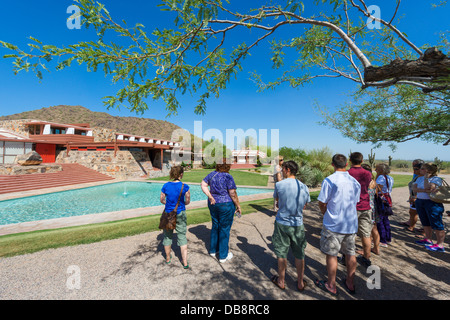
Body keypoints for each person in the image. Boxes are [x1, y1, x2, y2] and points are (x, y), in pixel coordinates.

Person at [315, 154, 361, 296]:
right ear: (346, 164)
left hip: (334, 224)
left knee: (332, 254)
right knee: (350, 253)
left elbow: (322, 202)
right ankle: (350, 282)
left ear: (332, 164)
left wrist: (325, 213)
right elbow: (356, 202)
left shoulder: (330, 180)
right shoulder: (354, 182)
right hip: (350, 223)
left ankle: (331, 284)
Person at [271, 160, 311, 292]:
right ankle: (300, 282)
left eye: (283, 168)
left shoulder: (280, 185)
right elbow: (305, 204)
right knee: (299, 254)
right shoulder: (304, 187)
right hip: (297, 224)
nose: (282, 171)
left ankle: (281, 281)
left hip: (282, 222)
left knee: (282, 253)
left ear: (287, 169)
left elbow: (277, 201)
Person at [201, 160, 242, 263]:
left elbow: (203, 184)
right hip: (225, 205)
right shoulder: (227, 176)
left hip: (213, 204)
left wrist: (210, 196)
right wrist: (238, 205)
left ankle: (213, 250)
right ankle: (223, 255)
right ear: (227, 166)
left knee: (215, 225)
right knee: (224, 229)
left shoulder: (212, 174)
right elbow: (232, 193)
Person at [160, 165, 191, 269]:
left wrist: (167, 203)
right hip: (180, 213)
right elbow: (187, 200)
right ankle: (185, 262)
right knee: (182, 236)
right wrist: (184, 203)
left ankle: (168, 258)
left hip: (169, 213)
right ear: (181, 174)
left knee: (167, 236)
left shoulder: (166, 185)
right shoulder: (184, 186)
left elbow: (161, 199)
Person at [413, 163, 446, 252]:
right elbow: (414, 189)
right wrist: (424, 190)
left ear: (429, 171)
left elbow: (430, 188)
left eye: (423, 169)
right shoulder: (419, 178)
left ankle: (440, 244)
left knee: (436, 223)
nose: (420, 170)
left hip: (432, 203)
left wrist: (427, 179)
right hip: (420, 201)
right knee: (425, 222)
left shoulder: (436, 179)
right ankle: (428, 239)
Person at [361, 164, 381, 256]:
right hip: (373, 207)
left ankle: (366, 252)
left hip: (367, 207)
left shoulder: (365, 182)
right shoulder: (374, 181)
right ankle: (376, 248)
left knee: (367, 232)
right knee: (374, 229)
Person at [401, 159, 425, 233]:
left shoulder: (426, 178)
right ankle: (411, 226)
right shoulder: (418, 177)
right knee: (412, 212)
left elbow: (426, 190)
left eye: (415, 168)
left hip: (420, 199)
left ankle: (425, 232)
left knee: (424, 215)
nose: (414, 170)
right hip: (414, 198)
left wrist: (415, 197)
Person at [374, 163, 394, 247]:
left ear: (381, 170)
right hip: (387, 198)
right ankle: (388, 237)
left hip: (380, 199)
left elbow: (377, 189)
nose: (375, 170)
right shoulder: (390, 177)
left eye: (377, 169)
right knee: (385, 219)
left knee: (380, 219)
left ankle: (382, 239)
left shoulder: (381, 178)